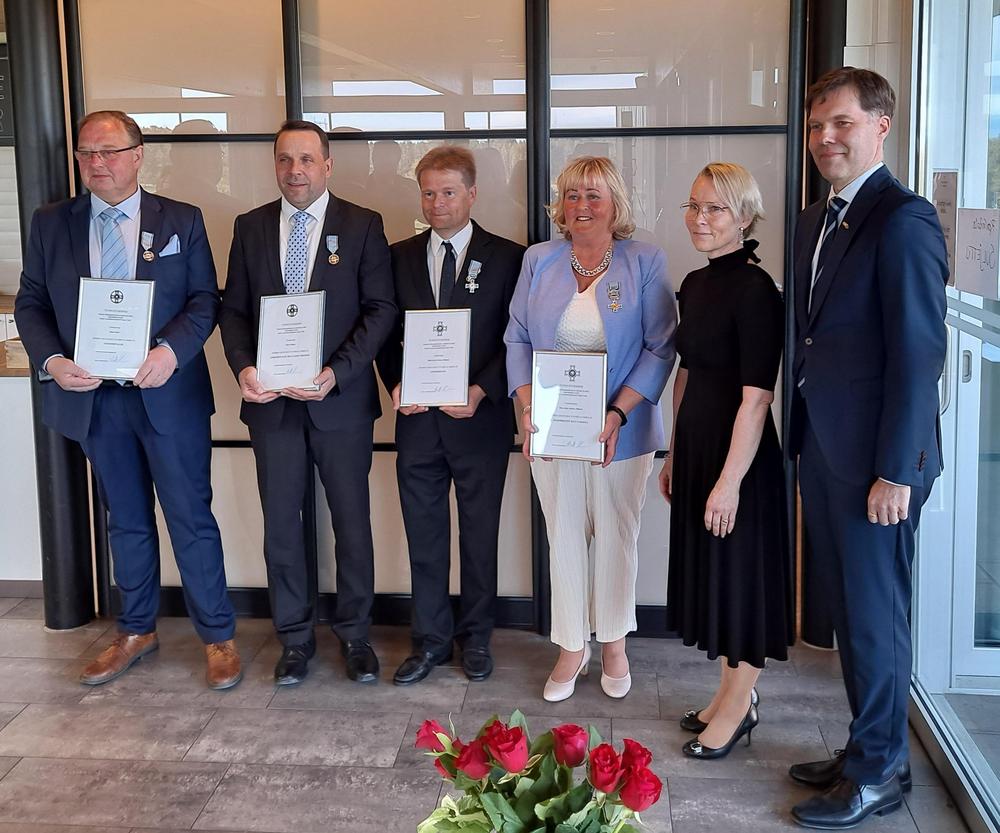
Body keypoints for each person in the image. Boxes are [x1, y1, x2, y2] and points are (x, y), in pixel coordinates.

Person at [14, 110, 241, 690]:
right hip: (95, 399)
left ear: (138, 155)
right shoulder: (52, 222)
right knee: (126, 520)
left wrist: (170, 351)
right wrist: (51, 361)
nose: (97, 163)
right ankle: (136, 630)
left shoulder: (181, 219)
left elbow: (204, 299)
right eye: (87, 153)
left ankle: (218, 637)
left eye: (110, 151)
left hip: (167, 395)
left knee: (190, 516)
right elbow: (31, 301)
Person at [787, 68, 948, 829]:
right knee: (854, 614)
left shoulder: (903, 218)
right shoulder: (815, 219)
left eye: (842, 123)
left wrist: (896, 471)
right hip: (826, 448)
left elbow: (919, 355)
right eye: (817, 125)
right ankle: (869, 748)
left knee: (875, 618)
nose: (826, 138)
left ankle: (880, 774)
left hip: (877, 465)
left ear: (881, 126)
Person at [219, 120, 396, 686]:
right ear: (274, 165)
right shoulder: (249, 227)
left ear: (327, 165)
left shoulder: (362, 225)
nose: (295, 171)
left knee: (351, 521)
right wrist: (244, 368)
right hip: (271, 403)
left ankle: (356, 635)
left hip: (337, 401)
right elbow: (234, 311)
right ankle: (294, 638)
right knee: (281, 524)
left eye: (306, 160)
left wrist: (336, 373)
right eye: (284, 160)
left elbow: (380, 310)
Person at [504, 156, 675, 702]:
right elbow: (516, 338)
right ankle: (572, 645)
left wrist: (618, 412)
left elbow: (660, 347)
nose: (582, 205)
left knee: (617, 535)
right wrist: (526, 407)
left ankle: (615, 643)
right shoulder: (539, 259)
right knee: (564, 534)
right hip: (553, 426)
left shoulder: (644, 260)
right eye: (573, 195)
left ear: (615, 203)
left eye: (594, 195)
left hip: (621, 427)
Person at [375, 146, 525, 685]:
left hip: (479, 421)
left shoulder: (509, 258)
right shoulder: (397, 256)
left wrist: (482, 390)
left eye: (448, 192)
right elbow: (383, 332)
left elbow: (517, 338)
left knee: (479, 535)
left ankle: (477, 637)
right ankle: (430, 640)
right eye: (428, 193)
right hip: (418, 421)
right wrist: (395, 383)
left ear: (472, 194)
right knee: (425, 535)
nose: (437, 203)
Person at [659, 162, 792, 759]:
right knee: (716, 576)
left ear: (743, 216)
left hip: (741, 457)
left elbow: (757, 397)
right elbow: (686, 374)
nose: (700, 218)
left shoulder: (757, 290)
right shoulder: (695, 283)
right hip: (699, 446)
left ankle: (740, 708)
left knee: (740, 580)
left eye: (714, 208)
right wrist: (674, 452)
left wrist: (729, 481)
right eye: (694, 205)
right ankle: (728, 694)